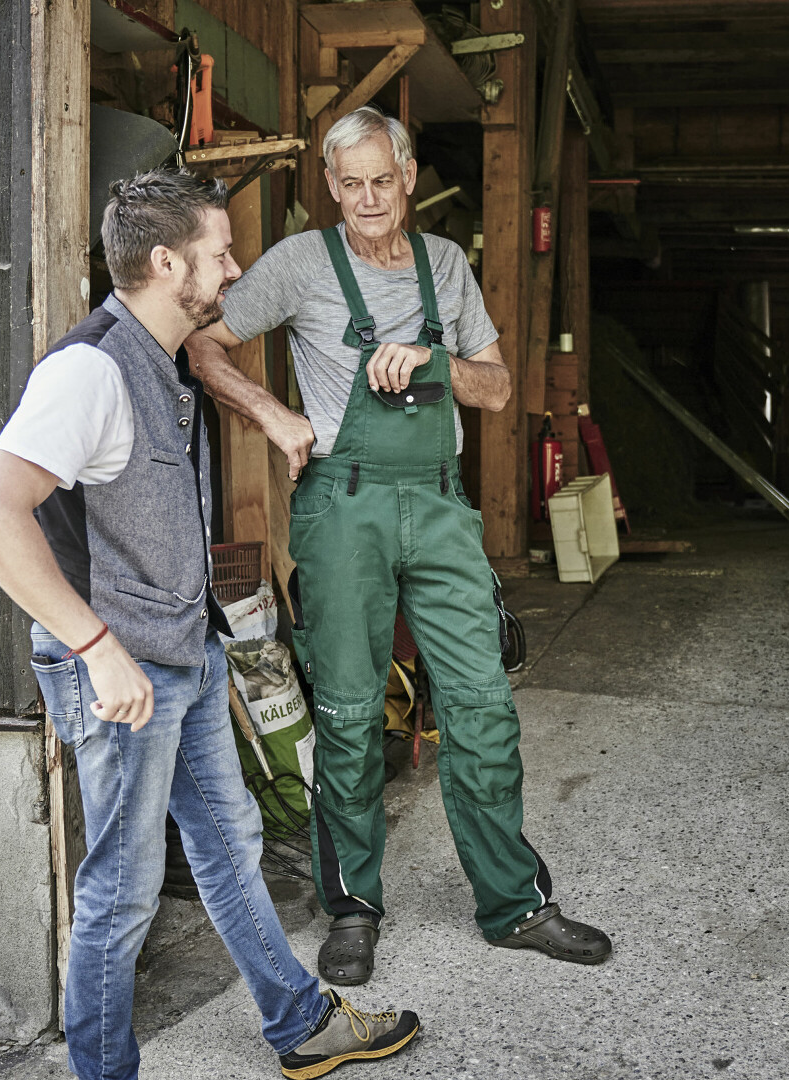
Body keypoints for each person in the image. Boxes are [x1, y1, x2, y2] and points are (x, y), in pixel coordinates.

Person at [0, 169, 420, 1080]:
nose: (234, 267)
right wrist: (95, 650)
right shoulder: (89, 368)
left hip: (185, 655)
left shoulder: (161, 356)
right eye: (219, 254)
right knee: (122, 896)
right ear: (166, 261)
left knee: (229, 843)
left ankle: (298, 1025)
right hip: (124, 673)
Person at [186, 106, 612, 986]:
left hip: (442, 505)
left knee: (485, 709)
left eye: (384, 180)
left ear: (410, 178)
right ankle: (354, 908)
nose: (370, 198)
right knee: (346, 713)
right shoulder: (301, 264)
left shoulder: (445, 264)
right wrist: (274, 413)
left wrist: (433, 361)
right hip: (344, 508)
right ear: (331, 188)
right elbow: (203, 342)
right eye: (351, 184)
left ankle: (515, 904)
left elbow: (495, 391)